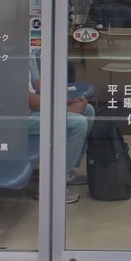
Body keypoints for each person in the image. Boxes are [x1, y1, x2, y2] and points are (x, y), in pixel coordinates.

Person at [28, 65, 95, 203]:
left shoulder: (24, 57)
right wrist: (65, 109)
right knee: (78, 123)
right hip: (19, 117)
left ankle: (66, 173)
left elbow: (41, 86)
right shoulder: (6, 61)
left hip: (34, 110)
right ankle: (52, 187)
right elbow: (25, 98)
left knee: (88, 110)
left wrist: (69, 101)